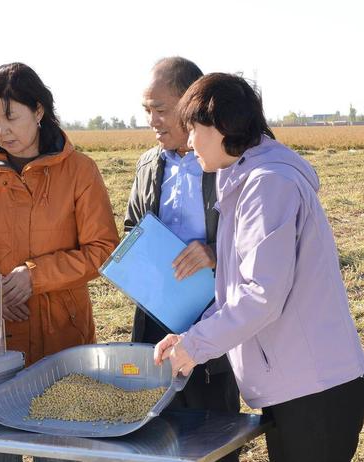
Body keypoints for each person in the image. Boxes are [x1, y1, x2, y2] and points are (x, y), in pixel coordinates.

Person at [155, 73, 364, 462]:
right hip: (298, 385)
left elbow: (261, 296)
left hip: (315, 389)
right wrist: (188, 339)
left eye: (194, 129)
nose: (189, 142)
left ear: (221, 126)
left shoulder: (267, 185)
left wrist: (195, 346)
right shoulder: (244, 183)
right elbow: (237, 292)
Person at [0, 62, 119, 462]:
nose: (2, 130)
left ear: (38, 110)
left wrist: (34, 277)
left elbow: (103, 248)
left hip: (61, 341)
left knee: (61, 450)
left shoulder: (80, 171)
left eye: (11, 117)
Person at [125, 56, 240, 458]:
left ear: (192, 104)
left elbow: (252, 242)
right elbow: (133, 227)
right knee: (155, 435)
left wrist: (214, 254)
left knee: (214, 436)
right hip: (156, 322)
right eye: (147, 110)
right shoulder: (148, 165)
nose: (152, 121)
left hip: (213, 322)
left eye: (160, 109)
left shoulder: (226, 164)